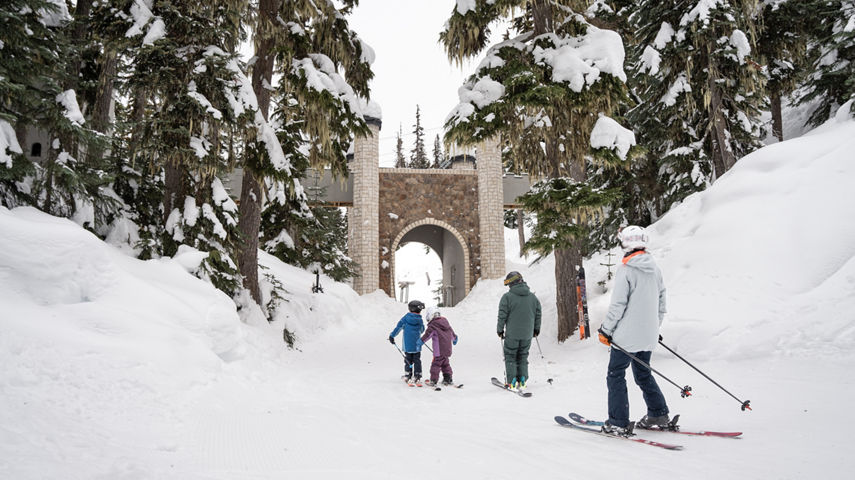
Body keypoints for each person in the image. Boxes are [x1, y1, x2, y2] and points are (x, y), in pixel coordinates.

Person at [597, 225, 669, 436]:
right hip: (648, 335)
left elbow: (618, 305)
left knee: (616, 374)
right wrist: (654, 326)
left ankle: (618, 422)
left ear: (625, 244)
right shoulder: (655, 269)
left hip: (626, 337)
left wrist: (606, 330)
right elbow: (662, 303)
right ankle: (658, 413)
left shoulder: (626, 270)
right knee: (643, 372)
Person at [496, 271, 541, 391]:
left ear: (512, 283)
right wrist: (536, 329)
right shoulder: (532, 297)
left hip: (512, 334)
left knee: (510, 355)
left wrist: (500, 330)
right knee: (523, 355)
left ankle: (512, 381)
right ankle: (522, 379)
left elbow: (502, 315)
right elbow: (538, 314)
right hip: (527, 334)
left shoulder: (507, 297)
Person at [389, 300, 425, 385]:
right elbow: (422, 330)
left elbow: (398, 328)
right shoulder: (420, 320)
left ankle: (408, 374)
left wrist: (392, 336)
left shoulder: (405, 318)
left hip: (407, 345)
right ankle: (418, 375)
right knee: (417, 360)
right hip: (417, 345)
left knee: (408, 360)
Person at [421, 306, 459, 387]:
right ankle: (448, 378)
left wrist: (419, 342)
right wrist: (455, 339)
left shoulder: (433, 325)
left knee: (436, 365)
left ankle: (433, 380)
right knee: (445, 364)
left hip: (438, 351)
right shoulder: (446, 324)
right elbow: (452, 334)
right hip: (447, 350)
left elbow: (427, 335)